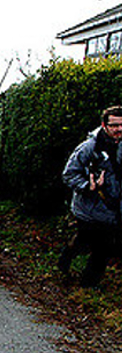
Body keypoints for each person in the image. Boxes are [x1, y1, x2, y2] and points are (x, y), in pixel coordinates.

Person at [58, 106, 122, 287]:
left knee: (103, 249)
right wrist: (87, 186)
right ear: (104, 125)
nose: (119, 129)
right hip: (89, 209)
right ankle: (67, 256)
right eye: (114, 125)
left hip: (112, 209)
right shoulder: (89, 148)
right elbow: (69, 174)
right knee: (84, 240)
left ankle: (88, 284)